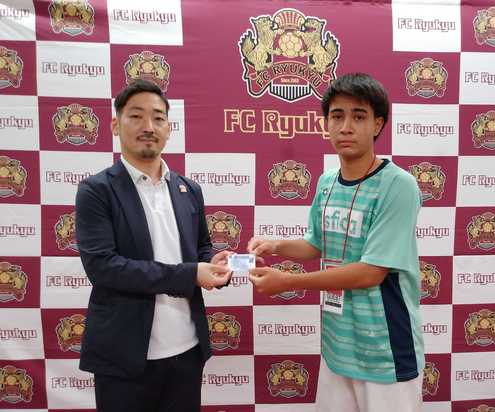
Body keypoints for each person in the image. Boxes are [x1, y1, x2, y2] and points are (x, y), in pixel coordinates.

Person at [248, 73, 424, 412]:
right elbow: (317, 244)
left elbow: (370, 272)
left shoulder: (398, 185)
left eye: (358, 116)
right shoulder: (327, 181)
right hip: (337, 348)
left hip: (385, 353)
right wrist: (275, 246)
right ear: (326, 124)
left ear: (377, 124)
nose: (346, 127)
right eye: (337, 116)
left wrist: (288, 282)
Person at [75, 79, 231, 412]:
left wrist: (215, 262)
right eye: (136, 116)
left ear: (168, 128)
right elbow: (103, 268)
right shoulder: (96, 191)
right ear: (115, 125)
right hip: (124, 356)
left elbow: (200, 248)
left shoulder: (189, 189)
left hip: (187, 351)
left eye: (158, 118)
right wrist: (190, 274)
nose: (149, 126)